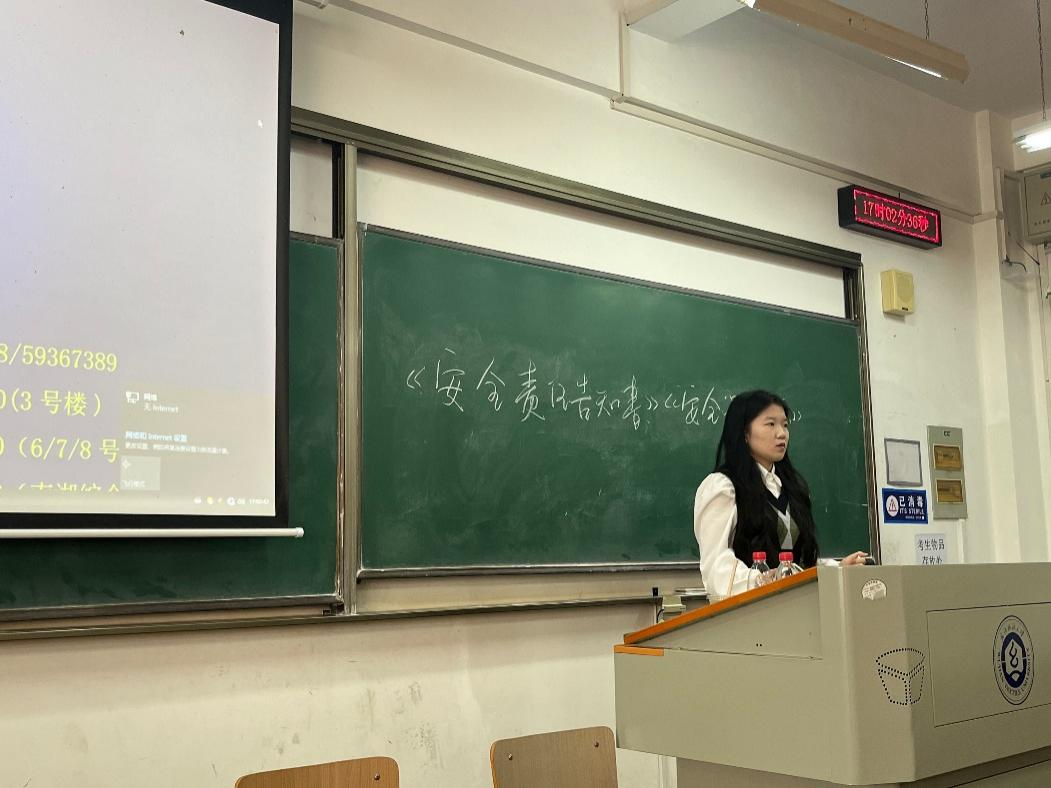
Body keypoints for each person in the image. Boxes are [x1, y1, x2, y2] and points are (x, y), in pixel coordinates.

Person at [694, 389, 868, 600]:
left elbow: (796, 562)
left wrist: (836, 569)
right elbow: (716, 566)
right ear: (744, 433)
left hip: (796, 606)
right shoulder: (723, 488)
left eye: (785, 425)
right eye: (770, 424)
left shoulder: (793, 488)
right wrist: (760, 580)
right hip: (749, 610)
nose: (782, 434)